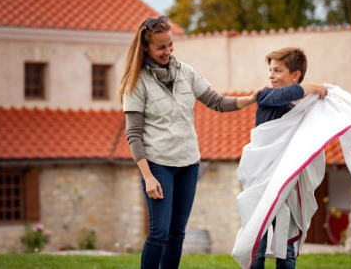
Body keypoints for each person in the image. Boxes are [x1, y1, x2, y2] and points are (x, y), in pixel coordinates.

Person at [118, 15, 263, 269]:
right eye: (161, 47)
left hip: (188, 164)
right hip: (158, 165)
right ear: (146, 48)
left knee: (177, 235)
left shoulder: (186, 72)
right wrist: (148, 176)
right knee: (159, 232)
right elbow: (134, 134)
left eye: (170, 45)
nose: (168, 51)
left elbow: (216, 101)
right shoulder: (136, 82)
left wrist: (249, 99)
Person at [250, 47, 327, 269]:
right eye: (270, 70)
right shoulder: (265, 97)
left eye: (277, 70)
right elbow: (280, 95)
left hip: (287, 184)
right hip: (262, 182)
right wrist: (306, 88)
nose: (271, 75)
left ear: (295, 75)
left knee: (286, 249)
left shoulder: (301, 110)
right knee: (258, 246)